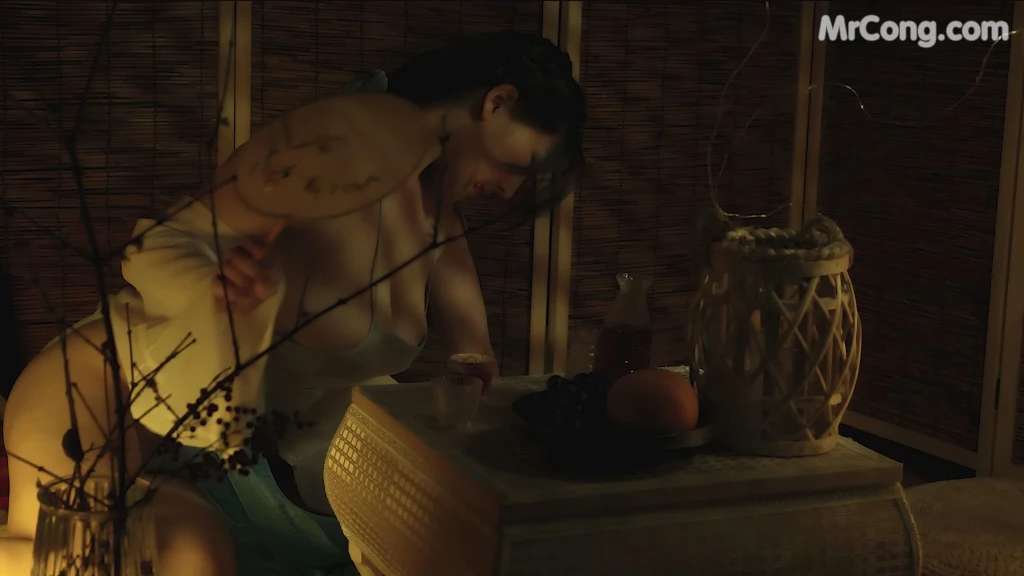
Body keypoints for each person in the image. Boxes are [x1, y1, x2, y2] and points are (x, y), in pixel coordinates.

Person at [1, 30, 585, 576]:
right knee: (133, 557)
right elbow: (158, 246)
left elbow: (471, 356)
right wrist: (214, 290)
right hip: (105, 394)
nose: (512, 189)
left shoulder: (438, 227)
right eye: (525, 165)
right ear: (497, 103)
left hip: (215, 456)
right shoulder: (326, 162)